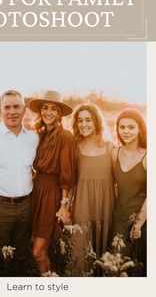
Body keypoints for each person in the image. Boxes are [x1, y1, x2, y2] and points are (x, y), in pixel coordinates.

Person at [0, 90, 39, 276]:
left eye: (16, 107)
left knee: (22, 255)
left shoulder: (33, 139)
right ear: (1, 110)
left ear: (24, 110)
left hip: (26, 205)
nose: (12, 112)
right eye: (7, 107)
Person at [28, 90, 76, 276]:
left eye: (53, 109)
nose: (48, 112)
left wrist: (64, 205)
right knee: (41, 250)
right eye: (45, 108)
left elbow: (67, 175)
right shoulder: (39, 135)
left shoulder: (66, 137)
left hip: (51, 195)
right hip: (36, 192)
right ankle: (48, 279)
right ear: (40, 112)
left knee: (37, 251)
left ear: (59, 114)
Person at [71, 103, 115, 276]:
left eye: (88, 120)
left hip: (106, 205)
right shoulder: (74, 148)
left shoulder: (110, 147)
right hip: (83, 205)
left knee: (105, 253)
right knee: (82, 255)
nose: (84, 124)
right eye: (80, 120)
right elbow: (68, 180)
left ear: (96, 121)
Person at [110, 108, 147, 276]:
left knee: (140, 266)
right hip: (119, 216)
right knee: (118, 265)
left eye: (131, 127)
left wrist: (139, 223)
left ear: (140, 129)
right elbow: (110, 185)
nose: (126, 131)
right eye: (122, 127)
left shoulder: (148, 156)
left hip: (143, 218)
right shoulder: (114, 153)